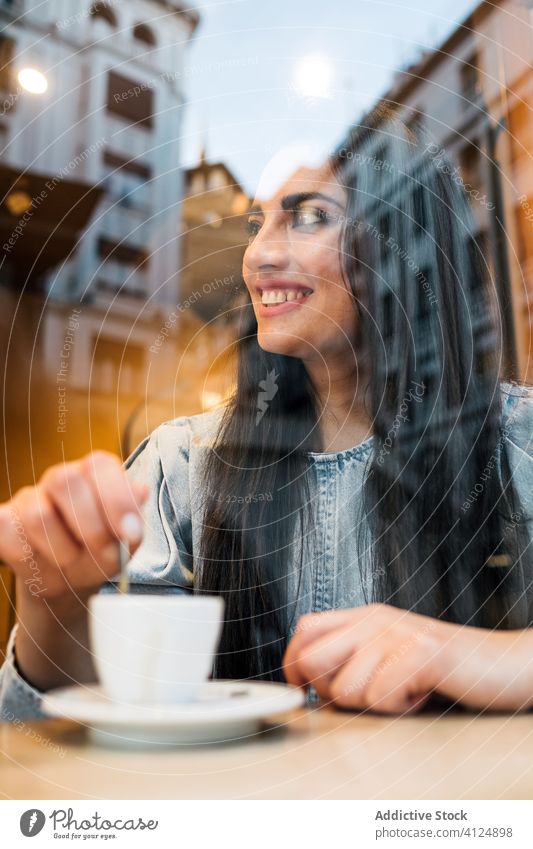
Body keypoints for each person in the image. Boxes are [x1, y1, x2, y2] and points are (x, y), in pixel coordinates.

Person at [1, 111, 532, 721]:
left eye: (309, 216)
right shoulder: (180, 465)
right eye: (258, 224)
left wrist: (456, 653)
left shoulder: (517, 441)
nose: (259, 255)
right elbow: (42, 729)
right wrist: (54, 607)